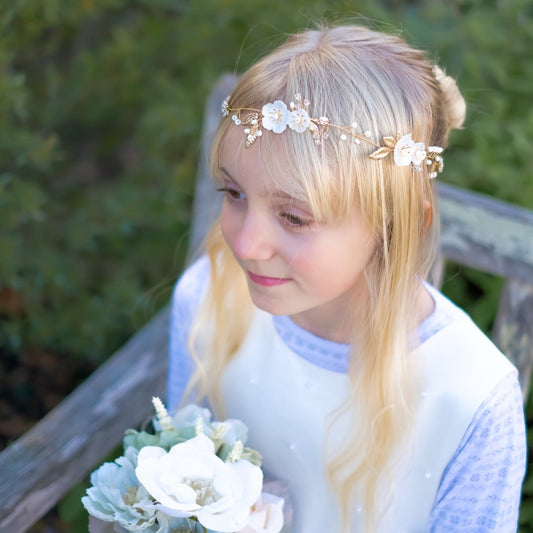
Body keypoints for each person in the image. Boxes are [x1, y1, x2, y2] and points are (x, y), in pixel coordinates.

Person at [166, 25, 526, 532]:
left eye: (294, 217)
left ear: (394, 225)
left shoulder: (469, 400)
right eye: (233, 192)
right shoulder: (210, 296)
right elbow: (178, 470)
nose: (245, 245)